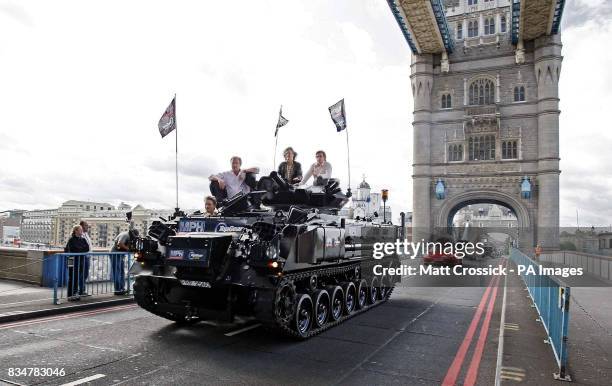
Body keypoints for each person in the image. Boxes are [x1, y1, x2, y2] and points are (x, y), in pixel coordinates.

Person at [64, 225, 89, 300]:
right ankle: (70, 295)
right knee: (72, 277)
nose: (82, 231)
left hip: (80, 261)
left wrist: (79, 249)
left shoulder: (83, 239)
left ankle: (75, 293)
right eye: (80, 230)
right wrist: (81, 249)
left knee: (77, 277)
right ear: (76, 231)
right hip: (72, 261)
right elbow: (73, 249)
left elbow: (87, 248)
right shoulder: (71, 239)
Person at [110, 229, 138, 295]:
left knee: (121, 272)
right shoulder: (125, 235)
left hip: (120, 254)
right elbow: (120, 243)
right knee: (117, 272)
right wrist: (128, 249)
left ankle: (121, 288)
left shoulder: (128, 236)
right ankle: (117, 290)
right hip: (115, 254)